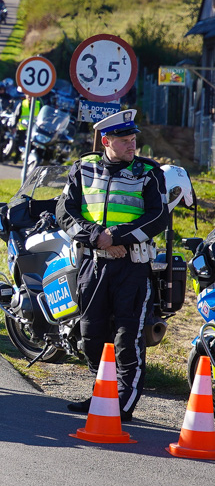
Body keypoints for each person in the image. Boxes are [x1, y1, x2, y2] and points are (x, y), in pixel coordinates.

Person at [56, 109, 169, 422]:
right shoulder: (83, 168)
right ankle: (101, 393)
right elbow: (64, 212)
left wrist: (117, 237)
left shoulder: (148, 172)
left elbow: (158, 217)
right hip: (93, 265)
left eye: (133, 140)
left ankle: (122, 404)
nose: (132, 145)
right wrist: (97, 237)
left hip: (132, 267)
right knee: (91, 333)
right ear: (106, 141)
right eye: (124, 141)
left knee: (127, 337)